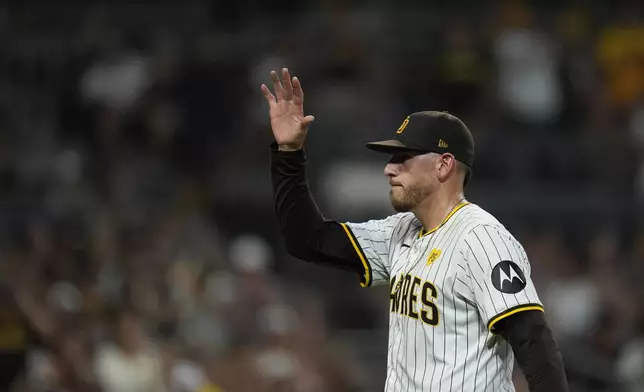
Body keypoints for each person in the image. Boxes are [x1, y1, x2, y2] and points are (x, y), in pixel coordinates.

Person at [262, 68, 569, 392]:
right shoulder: (400, 233)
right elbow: (308, 240)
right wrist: (289, 154)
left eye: (404, 157)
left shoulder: (482, 238)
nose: (389, 168)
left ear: (443, 165)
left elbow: (535, 343)